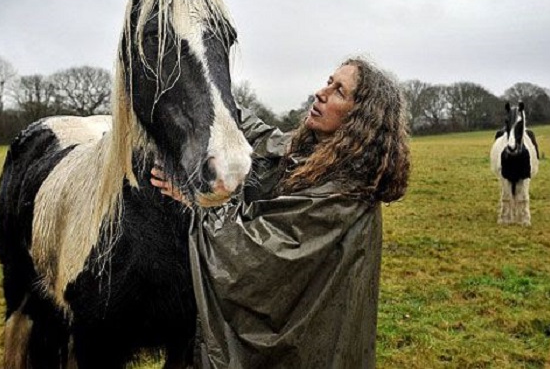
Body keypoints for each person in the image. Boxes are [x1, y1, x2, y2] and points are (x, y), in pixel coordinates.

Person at [151, 56, 411, 368]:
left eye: (339, 91)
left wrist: (203, 203)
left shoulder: (344, 193)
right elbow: (266, 145)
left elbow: (254, 255)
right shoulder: (315, 155)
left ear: (361, 119)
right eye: (329, 81)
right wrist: (213, 96)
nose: (321, 93)